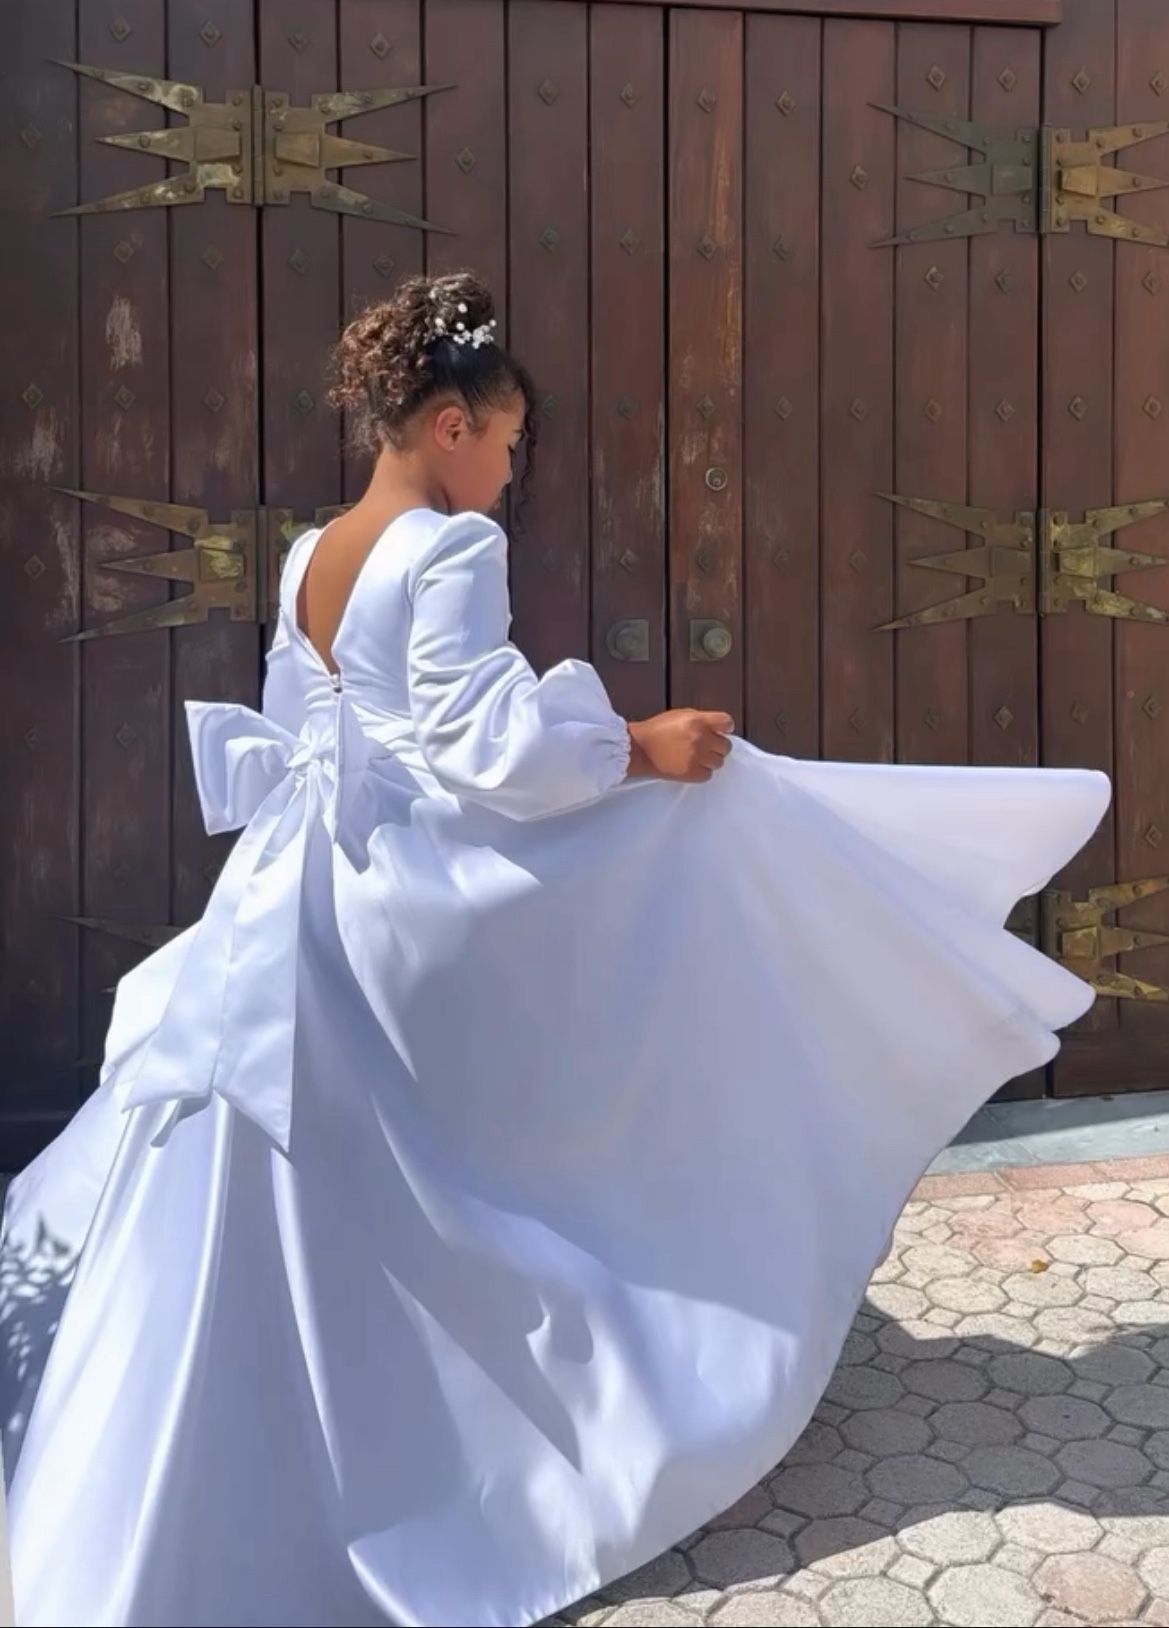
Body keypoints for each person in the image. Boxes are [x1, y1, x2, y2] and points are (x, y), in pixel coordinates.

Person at [1, 271, 1107, 1628]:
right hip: (398, 891)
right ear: (451, 424)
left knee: (328, 1168)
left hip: (297, 886)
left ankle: (267, 1445)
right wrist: (639, 747)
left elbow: (315, 720)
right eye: (511, 441)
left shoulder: (311, 552)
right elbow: (491, 747)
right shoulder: (447, 548)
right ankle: (566, 1391)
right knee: (669, 883)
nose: (513, 471)